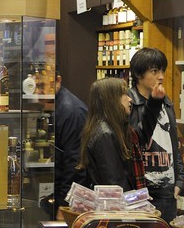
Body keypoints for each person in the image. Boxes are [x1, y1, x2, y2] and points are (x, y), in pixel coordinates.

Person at [128, 48, 184, 222]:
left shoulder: (166, 103)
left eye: (162, 71)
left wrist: (180, 180)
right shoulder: (128, 103)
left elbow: (173, 143)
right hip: (141, 192)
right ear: (139, 74)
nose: (160, 76)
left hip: (167, 191)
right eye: (154, 71)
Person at [77, 77, 143, 190]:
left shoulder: (108, 129)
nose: (130, 99)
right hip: (114, 200)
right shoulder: (105, 135)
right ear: (112, 99)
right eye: (124, 94)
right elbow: (115, 185)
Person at [42, 72, 88, 217]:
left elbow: (76, 163)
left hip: (70, 197)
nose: (38, 91)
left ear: (58, 81)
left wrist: (64, 205)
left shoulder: (71, 111)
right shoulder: (58, 105)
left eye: (42, 85)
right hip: (61, 191)